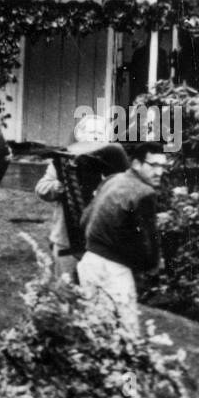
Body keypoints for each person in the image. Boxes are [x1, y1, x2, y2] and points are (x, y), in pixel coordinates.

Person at [76, 141, 170, 334]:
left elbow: (85, 218)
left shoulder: (112, 180)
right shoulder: (145, 193)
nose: (159, 172)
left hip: (89, 262)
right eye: (154, 165)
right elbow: (148, 241)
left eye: (163, 166)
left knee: (97, 329)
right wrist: (153, 268)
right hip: (113, 270)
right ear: (136, 164)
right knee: (128, 333)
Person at [36, 115, 108, 282]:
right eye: (90, 132)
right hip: (66, 238)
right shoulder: (63, 162)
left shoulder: (108, 164)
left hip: (98, 240)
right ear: (81, 136)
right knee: (64, 288)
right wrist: (55, 187)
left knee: (94, 291)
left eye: (99, 133)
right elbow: (41, 188)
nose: (95, 137)